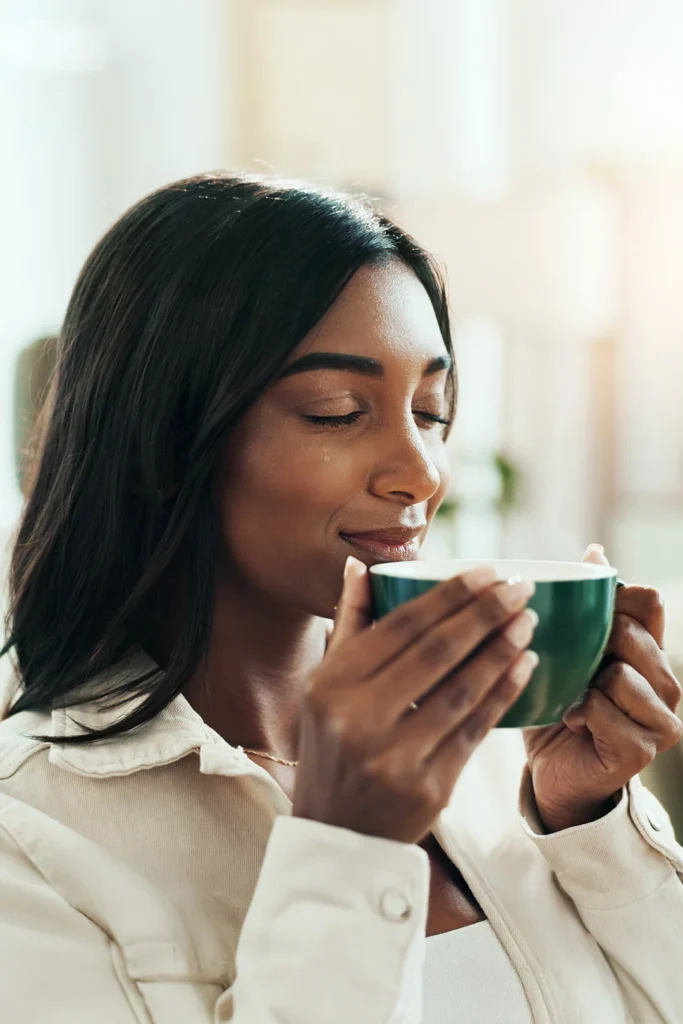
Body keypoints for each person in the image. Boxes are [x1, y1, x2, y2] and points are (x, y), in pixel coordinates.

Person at [0, 173, 681, 1024]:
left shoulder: (492, 760)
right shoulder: (31, 837)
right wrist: (345, 846)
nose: (421, 474)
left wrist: (588, 822)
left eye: (429, 411)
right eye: (336, 412)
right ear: (161, 439)